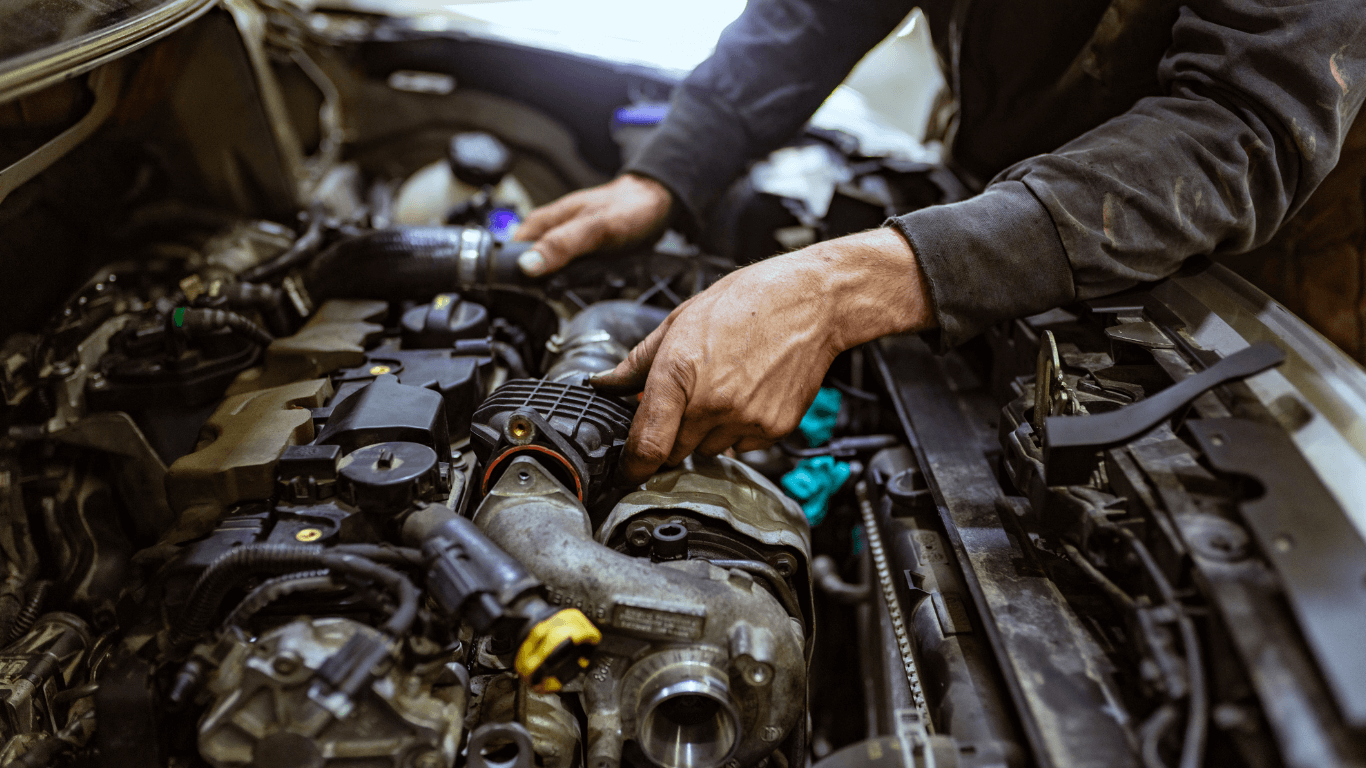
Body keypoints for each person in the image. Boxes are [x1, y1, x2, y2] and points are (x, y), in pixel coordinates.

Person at [512, 0, 1366, 484]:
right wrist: (668, 171)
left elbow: (1240, 126)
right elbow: (815, 13)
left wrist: (838, 289)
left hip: (1251, 268)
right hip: (996, 171)